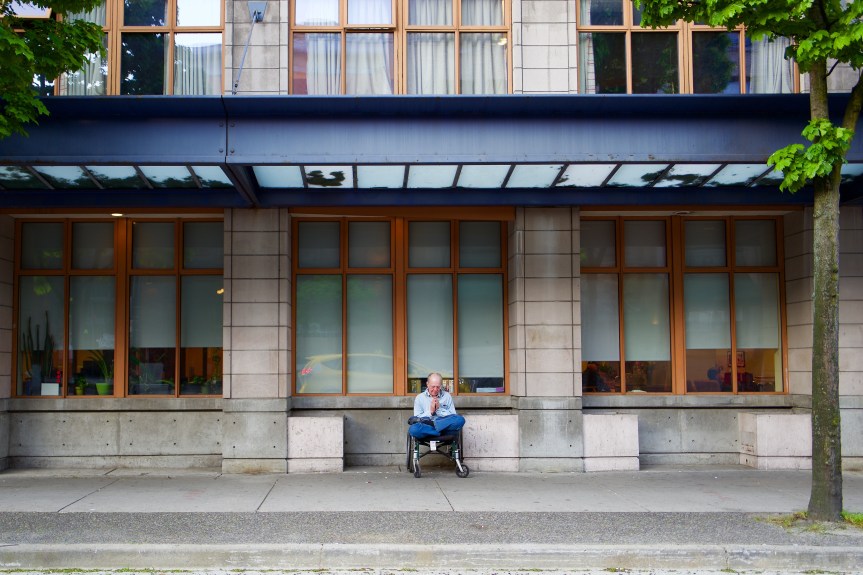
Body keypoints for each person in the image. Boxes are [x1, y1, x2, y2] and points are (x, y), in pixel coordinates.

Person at [409, 372, 465, 440]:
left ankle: (435, 427)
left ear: (441, 385)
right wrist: (431, 411)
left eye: (438, 387)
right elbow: (416, 418)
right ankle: (439, 430)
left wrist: (439, 409)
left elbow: (453, 415)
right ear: (427, 384)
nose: (435, 390)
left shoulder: (447, 396)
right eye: (433, 387)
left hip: (443, 423)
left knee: (460, 420)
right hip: (427, 425)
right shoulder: (420, 398)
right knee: (413, 429)